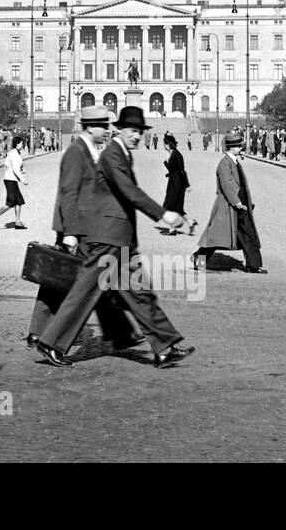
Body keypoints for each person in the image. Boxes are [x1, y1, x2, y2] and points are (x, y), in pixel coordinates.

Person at [34, 106, 193, 369]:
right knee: (85, 292)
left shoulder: (118, 153)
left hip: (118, 239)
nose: (136, 136)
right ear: (119, 129)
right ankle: (50, 342)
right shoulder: (111, 155)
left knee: (140, 293)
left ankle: (164, 347)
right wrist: (164, 215)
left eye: (140, 132)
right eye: (132, 131)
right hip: (106, 239)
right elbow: (129, 191)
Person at [25, 106, 140, 352]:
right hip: (74, 226)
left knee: (74, 278)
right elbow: (69, 194)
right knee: (68, 279)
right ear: (90, 127)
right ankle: (44, 335)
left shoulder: (87, 149)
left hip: (82, 225)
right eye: (104, 126)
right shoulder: (77, 152)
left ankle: (119, 333)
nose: (108, 131)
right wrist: (70, 233)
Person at [194, 130, 265, 273]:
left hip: (241, 206)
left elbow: (241, 184)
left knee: (248, 235)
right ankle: (198, 259)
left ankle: (253, 265)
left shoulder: (234, 161)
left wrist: (246, 202)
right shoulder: (224, 163)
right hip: (229, 206)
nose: (241, 148)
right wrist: (237, 202)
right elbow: (227, 185)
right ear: (231, 147)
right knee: (215, 236)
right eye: (239, 146)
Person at [0, 135, 28, 230]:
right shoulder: (15, 154)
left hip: (11, 179)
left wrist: (20, 171)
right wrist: (23, 180)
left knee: (19, 200)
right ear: (17, 144)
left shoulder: (14, 153)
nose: (22, 144)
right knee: (11, 202)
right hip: (11, 180)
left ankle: (17, 221)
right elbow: (16, 170)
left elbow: (9, 166)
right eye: (21, 143)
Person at [160, 133, 195, 235]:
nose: (164, 146)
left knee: (170, 205)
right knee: (177, 207)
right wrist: (166, 161)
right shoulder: (172, 154)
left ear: (168, 144)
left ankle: (172, 229)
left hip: (177, 184)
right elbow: (172, 169)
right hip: (173, 182)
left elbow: (181, 171)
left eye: (164, 144)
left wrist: (187, 185)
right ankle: (190, 222)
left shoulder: (177, 155)